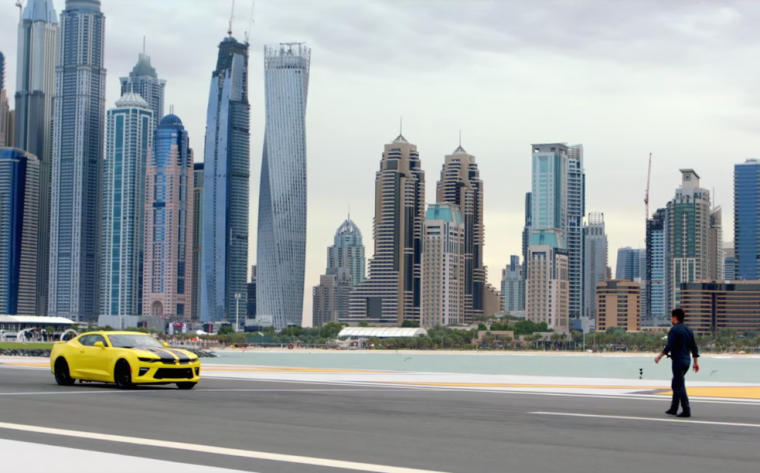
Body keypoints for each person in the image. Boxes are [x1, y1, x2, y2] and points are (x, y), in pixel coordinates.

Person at [655, 308, 700, 418]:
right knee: (676, 382)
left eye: (671, 317)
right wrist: (695, 362)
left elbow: (670, 345)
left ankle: (686, 409)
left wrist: (659, 356)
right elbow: (694, 347)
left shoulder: (674, 330)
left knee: (679, 385)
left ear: (675, 317)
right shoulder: (689, 330)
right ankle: (673, 408)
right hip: (687, 361)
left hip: (678, 361)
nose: (671, 319)